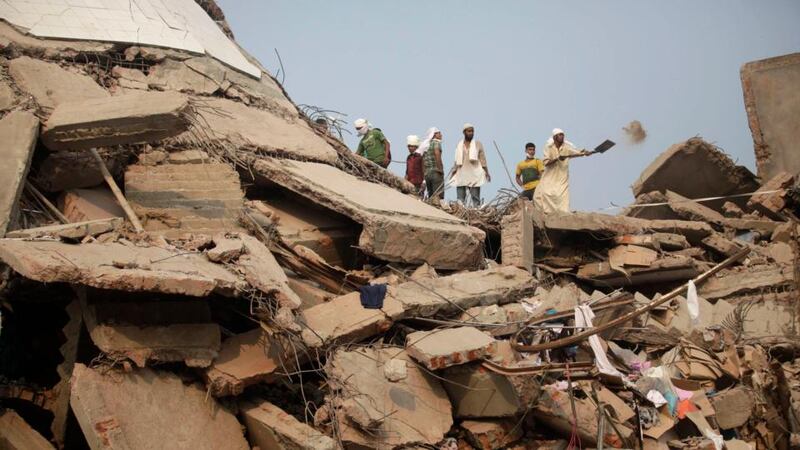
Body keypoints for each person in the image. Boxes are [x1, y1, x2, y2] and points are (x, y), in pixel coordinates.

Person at [533, 128, 589, 214]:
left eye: (562, 135)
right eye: (560, 135)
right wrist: (557, 159)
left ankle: (563, 212)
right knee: (543, 192)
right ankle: (548, 212)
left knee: (562, 194)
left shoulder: (566, 147)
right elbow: (546, 162)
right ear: (555, 137)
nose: (562, 136)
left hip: (562, 174)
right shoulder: (548, 147)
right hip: (550, 174)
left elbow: (575, 152)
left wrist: (584, 153)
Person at [449, 123, 490, 207]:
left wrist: (487, 172)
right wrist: (453, 172)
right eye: (469, 131)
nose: (471, 133)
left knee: (475, 199)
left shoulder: (478, 144)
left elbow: (483, 159)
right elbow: (456, 160)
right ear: (464, 132)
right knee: (460, 200)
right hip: (461, 174)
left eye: (472, 131)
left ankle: (476, 213)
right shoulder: (459, 145)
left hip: (474, 174)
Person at [420, 127, 445, 202]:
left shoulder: (425, 145)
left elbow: (422, 161)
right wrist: (440, 169)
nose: (441, 135)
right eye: (439, 133)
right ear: (434, 135)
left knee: (431, 196)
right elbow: (437, 154)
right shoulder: (436, 143)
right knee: (438, 196)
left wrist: (424, 175)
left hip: (427, 174)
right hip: (436, 172)